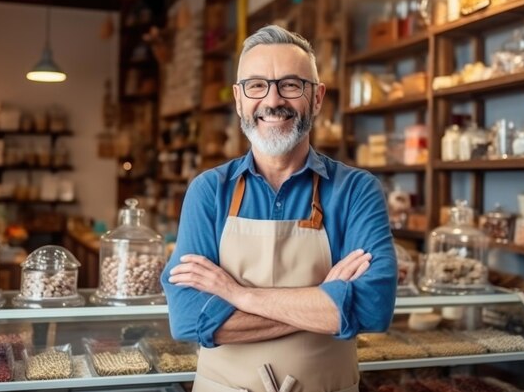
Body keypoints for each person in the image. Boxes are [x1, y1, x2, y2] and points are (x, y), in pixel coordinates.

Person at [161, 25, 397, 392]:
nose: (272, 101)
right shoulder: (209, 191)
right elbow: (190, 320)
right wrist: (325, 301)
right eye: (256, 85)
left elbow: (371, 308)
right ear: (239, 99)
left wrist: (239, 295)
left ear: (317, 98)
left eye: (290, 85)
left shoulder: (356, 190)